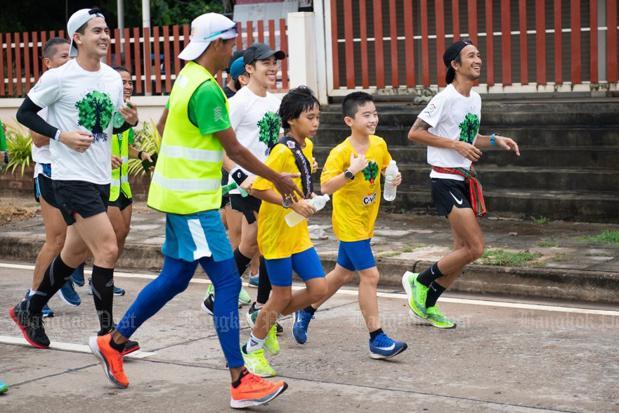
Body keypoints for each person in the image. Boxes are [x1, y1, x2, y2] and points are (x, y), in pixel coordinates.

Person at [87, 13, 298, 408]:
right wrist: (278, 179)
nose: (233, 51)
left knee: (175, 278)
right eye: (230, 44)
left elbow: (165, 128)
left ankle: (112, 343)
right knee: (228, 284)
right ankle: (239, 379)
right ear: (216, 44)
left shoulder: (186, 78)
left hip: (178, 198)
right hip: (194, 204)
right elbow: (234, 149)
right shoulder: (206, 90)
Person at [9, 8, 138, 349]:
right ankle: (108, 337)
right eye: (97, 30)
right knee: (107, 248)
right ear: (77, 38)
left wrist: (130, 120)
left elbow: (110, 125)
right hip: (69, 178)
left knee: (73, 254)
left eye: (106, 30)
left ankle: (29, 309)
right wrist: (60, 135)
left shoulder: (111, 78)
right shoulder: (59, 77)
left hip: (100, 178)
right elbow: (24, 113)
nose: (105, 35)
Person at [404, 39, 520, 328]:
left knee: (461, 252)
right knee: (476, 247)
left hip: (464, 180)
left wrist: (494, 140)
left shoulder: (475, 99)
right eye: (471, 56)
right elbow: (415, 133)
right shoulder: (444, 98)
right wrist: (455, 145)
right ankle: (420, 281)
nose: (478, 60)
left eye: (478, 54)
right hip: (444, 179)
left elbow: (469, 138)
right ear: (455, 65)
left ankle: (426, 306)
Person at [291, 91, 408, 359]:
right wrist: (351, 171)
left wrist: (393, 177)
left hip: (366, 220)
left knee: (342, 274)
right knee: (371, 276)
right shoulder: (341, 152)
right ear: (349, 120)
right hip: (348, 222)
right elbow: (325, 186)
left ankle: (305, 309)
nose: (373, 119)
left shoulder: (379, 144)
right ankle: (377, 338)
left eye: (374, 114)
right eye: (366, 115)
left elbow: (386, 166)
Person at [241, 86, 328, 377]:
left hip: (297, 232)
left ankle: (264, 317)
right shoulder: (280, 151)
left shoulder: (306, 147)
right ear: (291, 119)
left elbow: (297, 182)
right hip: (276, 232)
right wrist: (292, 203)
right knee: (280, 296)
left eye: (317, 117)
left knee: (319, 288)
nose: (315, 123)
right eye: (310, 117)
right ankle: (252, 348)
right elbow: (258, 188)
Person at [203, 43, 286, 336]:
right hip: (246, 185)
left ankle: (241, 301)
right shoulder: (238, 102)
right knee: (258, 243)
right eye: (266, 63)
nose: (273, 68)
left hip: (270, 184)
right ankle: (250, 303)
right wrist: (239, 177)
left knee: (256, 245)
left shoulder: (277, 103)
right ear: (249, 68)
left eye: (275, 63)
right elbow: (219, 147)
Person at [28, 37, 76, 315]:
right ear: (47, 62)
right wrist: (65, 133)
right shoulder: (45, 88)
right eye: (63, 57)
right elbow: (37, 138)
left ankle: (62, 276)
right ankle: (34, 295)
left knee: (80, 238)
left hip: (73, 172)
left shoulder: (73, 87)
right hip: (49, 170)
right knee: (56, 239)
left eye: (71, 56)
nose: (69, 61)